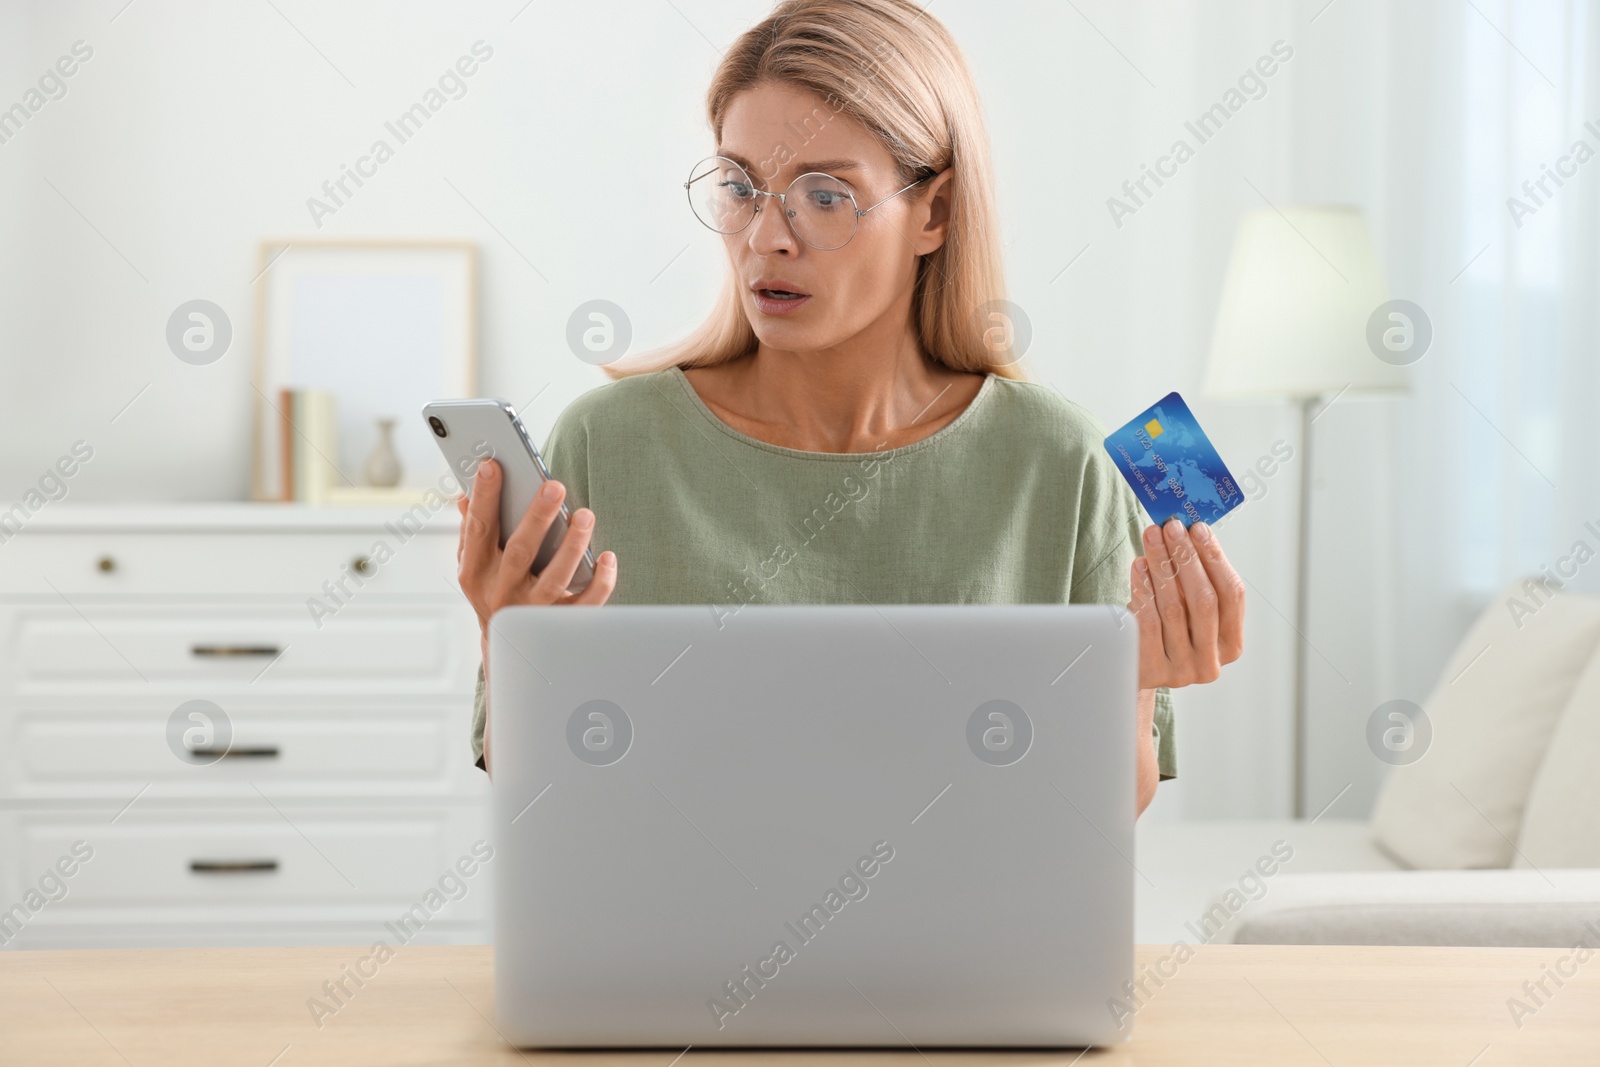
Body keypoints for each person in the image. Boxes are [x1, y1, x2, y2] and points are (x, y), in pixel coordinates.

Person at [454, 0, 1244, 816]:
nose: (767, 237)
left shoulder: (1060, 460)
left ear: (933, 211)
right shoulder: (607, 443)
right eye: (739, 187)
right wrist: (507, 644)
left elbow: (1098, 812)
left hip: (963, 939)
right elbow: (544, 790)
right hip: (666, 939)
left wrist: (1135, 683)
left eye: (824, 196)